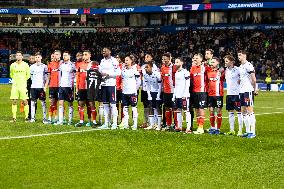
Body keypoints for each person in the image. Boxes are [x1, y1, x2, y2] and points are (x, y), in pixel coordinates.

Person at [98, 47, 121, 130]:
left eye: (105, 51)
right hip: (103, 84)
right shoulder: (102, 61)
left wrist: (108, 74)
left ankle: (114, 123)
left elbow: (118, 72)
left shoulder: (114, 61)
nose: (103, 52)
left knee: (113, 104)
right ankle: (106, 123)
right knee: (105, 104)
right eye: (103, 51)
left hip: (111, 85)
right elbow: (100, 71)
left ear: (110, 51)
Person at [75, 50, 98, 127]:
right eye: (83, 55)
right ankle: (81, 121)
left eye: (85, 54)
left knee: (91, 104)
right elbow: (77, 76)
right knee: (81, 104)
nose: (84, 56)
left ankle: (94, 121)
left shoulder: (93, 64)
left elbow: (97, 76)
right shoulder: (80, 65)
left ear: (89, 55)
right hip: (81, 87)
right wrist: (77, 87)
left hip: (90, 88)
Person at [238, 50, 257, 138]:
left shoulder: (248, 65)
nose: (239, 57)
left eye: (240, 55)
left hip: (248, 90)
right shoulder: (241, 66)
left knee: (250, 111)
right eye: (238, 55)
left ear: (245, 55)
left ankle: (252, 132)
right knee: (243, 111)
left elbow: (254, 79)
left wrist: (255, 89)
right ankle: (247, 131)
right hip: (241, 91)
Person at [54, 51, 76, 125]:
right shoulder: (61, 65)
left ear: (69, 56)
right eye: (63, 55)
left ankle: (70, 120)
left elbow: (76, 74)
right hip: (61, 86)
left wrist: (74, 83)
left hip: (69, 86)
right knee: (60, 103)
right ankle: (60, 121)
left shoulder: (73, 65)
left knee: (70, 103)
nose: (64, 57)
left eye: (66, 55)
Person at [224, 55, 243, 136]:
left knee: (239, 112)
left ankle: (240, 130)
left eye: (226, 61)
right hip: (229, 94)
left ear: (231, 62)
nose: (225, 62)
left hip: (237, 94)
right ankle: (231, 130)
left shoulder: (238, 69)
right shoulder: (226, 70)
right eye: (225, 61)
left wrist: (241, 80)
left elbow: (245, 77)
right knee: (230, 112)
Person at [190, 53, 209, 134]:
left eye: (196, 58)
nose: (195, 59)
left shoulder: (204, 67)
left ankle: (201, 127)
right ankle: (199, 126)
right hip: (194, 92)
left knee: (201, 109)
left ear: (201, 59)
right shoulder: (192, 68)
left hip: (202, 92)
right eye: (194, 58)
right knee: (196, 109)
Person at [121, 55, 141, 130]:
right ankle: (126, 124)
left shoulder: (134, 70)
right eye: (125, 60)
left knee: (134, 108)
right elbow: (123, 80)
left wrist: (135, 89)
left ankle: (135, 124)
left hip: (132, 92)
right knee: (125, 108)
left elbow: (139, 81)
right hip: (124, 92)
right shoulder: (123, 70)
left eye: (127, 60)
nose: (125, 62)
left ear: (131, 61)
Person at [9, 51, 30, 122]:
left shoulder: (26, 65)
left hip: (23, 86)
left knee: (25, 101)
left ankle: (26, 117)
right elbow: (11, 74)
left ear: (22, 57)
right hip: (15, 86)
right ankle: (14, 118)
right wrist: (16, 81)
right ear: (16, 57)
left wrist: (22, 81)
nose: (18, 56)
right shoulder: (12, 65)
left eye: (19, 55)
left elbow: (28, 75)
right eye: (17, 55)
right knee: (14, 101)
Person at [206, 57, 225, 135]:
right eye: (211, 62)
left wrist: (222, 70)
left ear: (217, 63)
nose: (211, 63)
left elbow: (226, 71)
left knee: (219, 111)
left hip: (218, 95)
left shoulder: (221, 71)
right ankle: (212, 127)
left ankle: (218, 128)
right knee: (211, 111)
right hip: (210, 94)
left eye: (213, 62)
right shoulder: (208, 71)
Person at [172, 57, 191, 133]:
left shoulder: (185, 72)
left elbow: (188, 84)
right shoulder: (176, 73)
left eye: (177, 62)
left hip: (184, 95)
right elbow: (176, 85)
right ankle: (179, 127)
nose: (175, 64)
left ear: (181, 63)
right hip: (177, 95)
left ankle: (188, 128)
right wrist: (174, 95)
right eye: (175, 62)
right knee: (178, 110)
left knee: (186, 111)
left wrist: (185, 94)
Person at [29, 52, 48, 123]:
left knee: (43, 103)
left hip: (41, 88)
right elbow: (31, 77)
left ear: (41, 58)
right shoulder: (31, 67)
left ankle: (44, 118)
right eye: (36, 57)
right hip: (33, 87)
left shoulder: (44, 66)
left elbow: (46, 78)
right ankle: (33, 118)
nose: (37, 58)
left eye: (38, 57)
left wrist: (45, 86)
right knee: (33, 102)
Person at [140, 53, 158, 128]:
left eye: (148, 57)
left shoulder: (154, 67)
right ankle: (146, 121)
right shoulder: (142, 67)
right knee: (145, 105)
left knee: (153, 105)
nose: (146, 58)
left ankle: (155, 122)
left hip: (152, 89)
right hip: (144, 89)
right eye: (145, 57)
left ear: (151, 58)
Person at [144, 61, 162, 130]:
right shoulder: (145, 75)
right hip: (151, 92)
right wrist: (149, 94)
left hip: (157, 92)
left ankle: (159, 125)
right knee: (150, 107)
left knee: (158, 107)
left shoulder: (157, 74)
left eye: (147, 67)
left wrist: (158, 95)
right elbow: (147, 85)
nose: (146, 68)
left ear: (151, 67)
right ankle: (152, 124)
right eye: (145, 67)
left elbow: (160, 85)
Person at [161, 53, 175, 130]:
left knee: (174, 108)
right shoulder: (163, 68)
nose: (164, 60)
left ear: (170, 58)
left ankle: (176, 124)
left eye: (165, 59)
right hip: (166, 91)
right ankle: (168, 124)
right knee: (167, 107)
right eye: (163, 59)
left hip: (174, 91)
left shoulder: (174, 67)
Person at [47, 50, 61, 124]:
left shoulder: (62, 64)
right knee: (52, 103)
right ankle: (50, 117)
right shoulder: (50, 64)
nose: (56, 56)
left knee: (60, 103)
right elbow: (48, 76)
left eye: (57, 54)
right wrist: (46, 85)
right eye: (55, 54)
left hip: (60, 86)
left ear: (60, 55)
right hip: (52, 86)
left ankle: (61, 118)